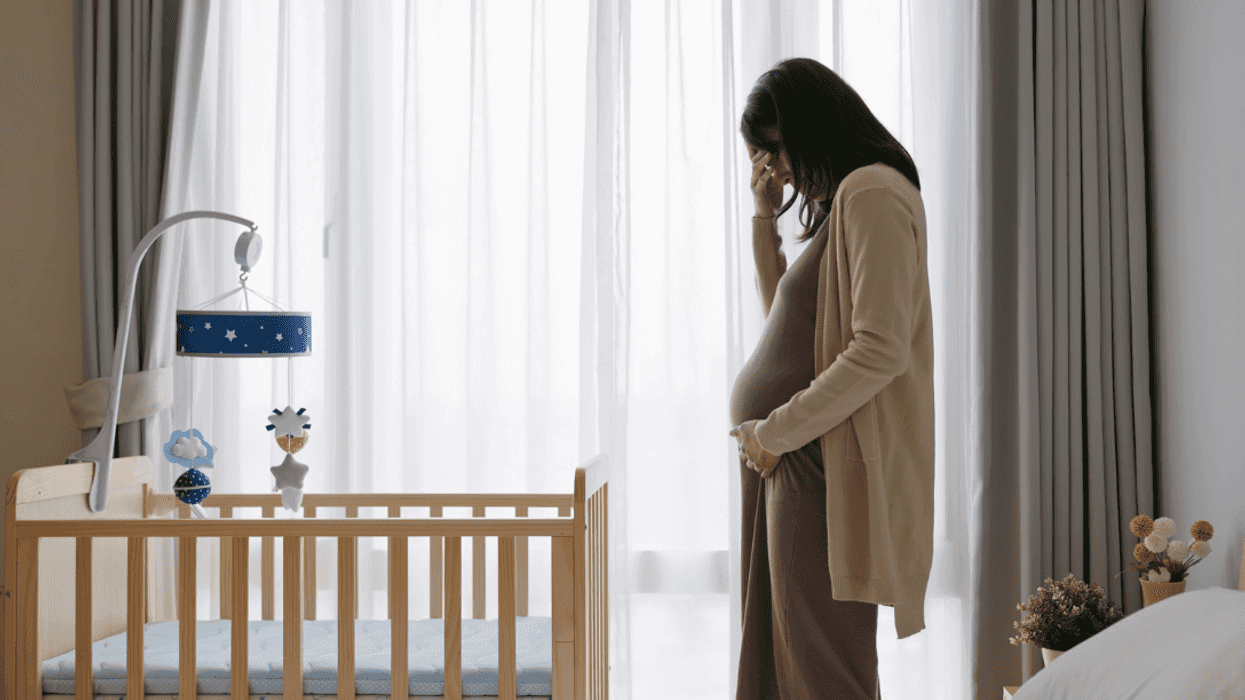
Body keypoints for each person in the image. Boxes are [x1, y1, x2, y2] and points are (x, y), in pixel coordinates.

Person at [727, 57, 936, 700]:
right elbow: (787, 332)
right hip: (793, 454)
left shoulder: (872, 192)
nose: (776, 169)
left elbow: (880, 348)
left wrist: (776, 432)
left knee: (823, 665)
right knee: (787, 656)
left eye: (776, 149)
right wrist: (766, 222)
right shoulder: (846, 198)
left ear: (810, 127)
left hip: (817, 462)